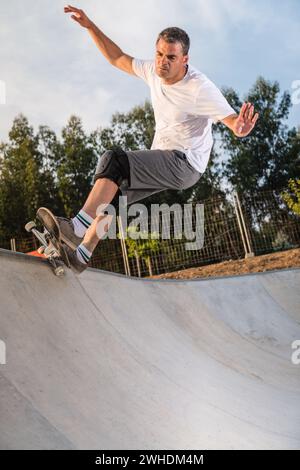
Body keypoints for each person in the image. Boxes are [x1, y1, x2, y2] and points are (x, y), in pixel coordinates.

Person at [54, 4, 259, 274]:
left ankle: (77, 226)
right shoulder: (153, 70)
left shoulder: (200, 88)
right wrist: (91, 26)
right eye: (159, 54)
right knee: (114, 196)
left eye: (171, 57)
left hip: (184, 163)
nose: (163, 62)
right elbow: (117, 58)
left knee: (113, 160)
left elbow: (232, 120)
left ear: (185, 59)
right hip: (164, 157)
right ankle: (82, 254)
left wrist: (239, 127)